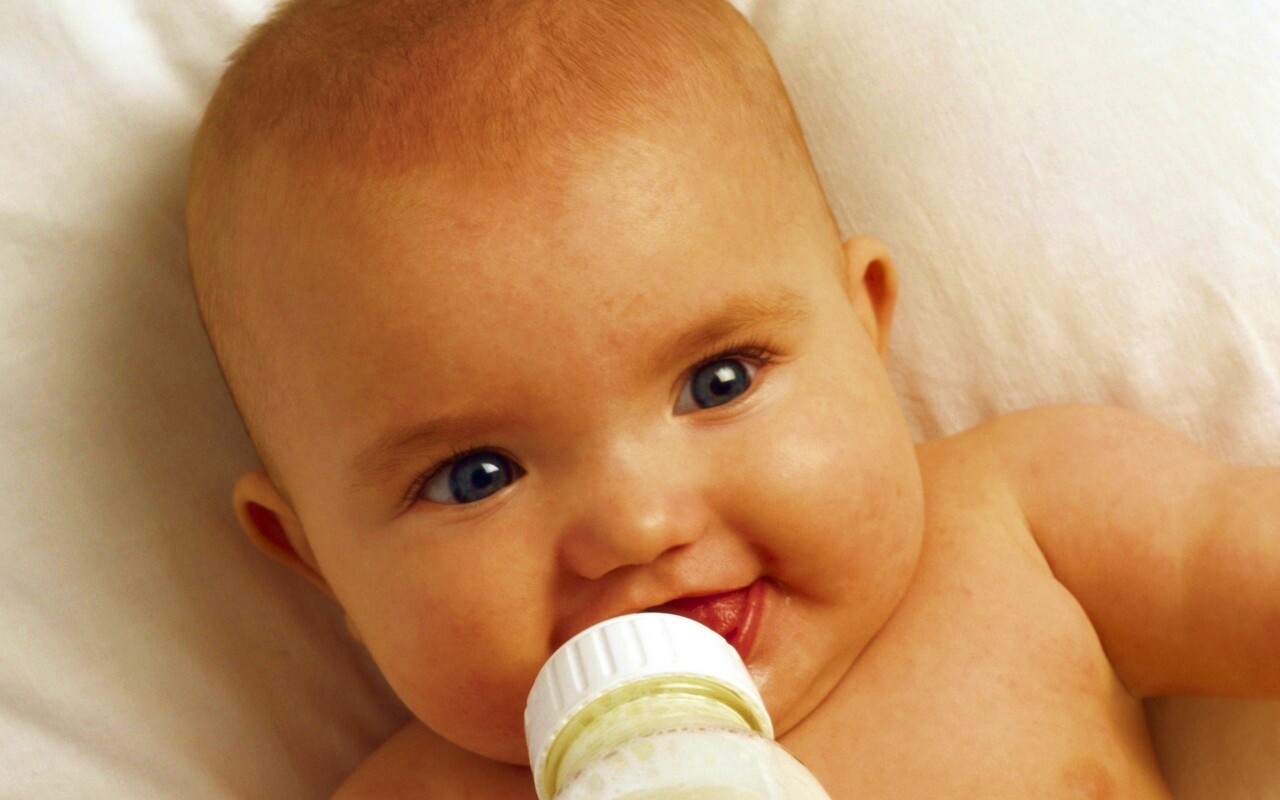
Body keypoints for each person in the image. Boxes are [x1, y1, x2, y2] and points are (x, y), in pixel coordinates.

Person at [184, 0, 1280, 795]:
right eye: (476, 476)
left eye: (718, 381)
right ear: (313, 558)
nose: (637, 526)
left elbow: (1227, 558)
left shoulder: (1022, 524)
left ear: (863, 324)